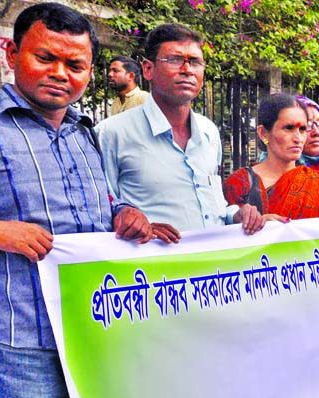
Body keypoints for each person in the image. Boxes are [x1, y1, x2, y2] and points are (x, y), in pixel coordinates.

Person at [0, 4, 154, 398]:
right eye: (45, 58)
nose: (60, 74)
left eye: (76, 65)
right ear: (11, 52)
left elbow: (99, 206)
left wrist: (124, 214)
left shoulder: (84, 133)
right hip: (21, 339)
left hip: (93, 334)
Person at [98, 24, 264, 240]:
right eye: (174, 60)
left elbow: (213, 207)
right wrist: (133, 224)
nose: (187, 69)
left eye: (194, 62)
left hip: (213, 269)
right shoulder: (112, 134)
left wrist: (236, 214)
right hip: (151, 270)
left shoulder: (208, 132)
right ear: (148, 69)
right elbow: (101, 212)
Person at [223, 93, 319, 220]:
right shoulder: (238, 183)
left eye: (303, 129)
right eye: (288, 128)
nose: (298, 138)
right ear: (263, 133)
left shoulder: (316, 183)